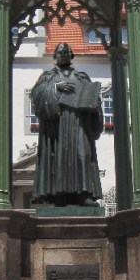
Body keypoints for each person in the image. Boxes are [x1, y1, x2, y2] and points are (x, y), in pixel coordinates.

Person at [31, 42, 103, 206]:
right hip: (58, 123)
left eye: (66, 52)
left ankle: (85, 194)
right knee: (58, 157)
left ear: (72, 56)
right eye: (60, 52)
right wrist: (56, 87)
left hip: (79, 122)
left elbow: (93, 98)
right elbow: (37, 95)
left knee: (83, 155)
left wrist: (94, 105)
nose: (63, 55)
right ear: (55, 56)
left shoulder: (82, 77)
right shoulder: (48, 77)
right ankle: (58, 195)